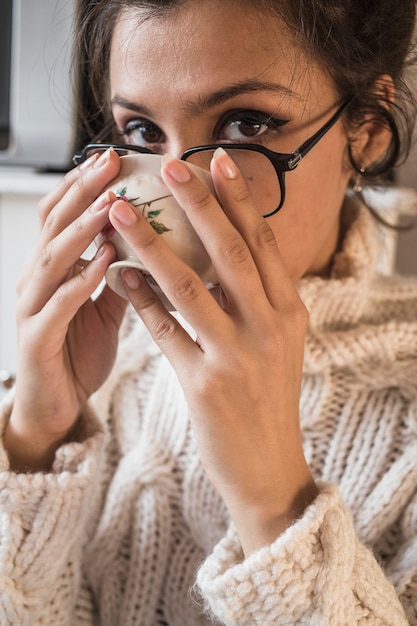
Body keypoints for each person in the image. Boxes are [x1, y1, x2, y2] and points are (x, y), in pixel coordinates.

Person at [1, 0, 417, 624]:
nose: (177, 184)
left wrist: (274, 497)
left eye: (245, 125)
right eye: (141, 132)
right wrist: (37, 436)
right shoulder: (102, 367)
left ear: (367, 129)